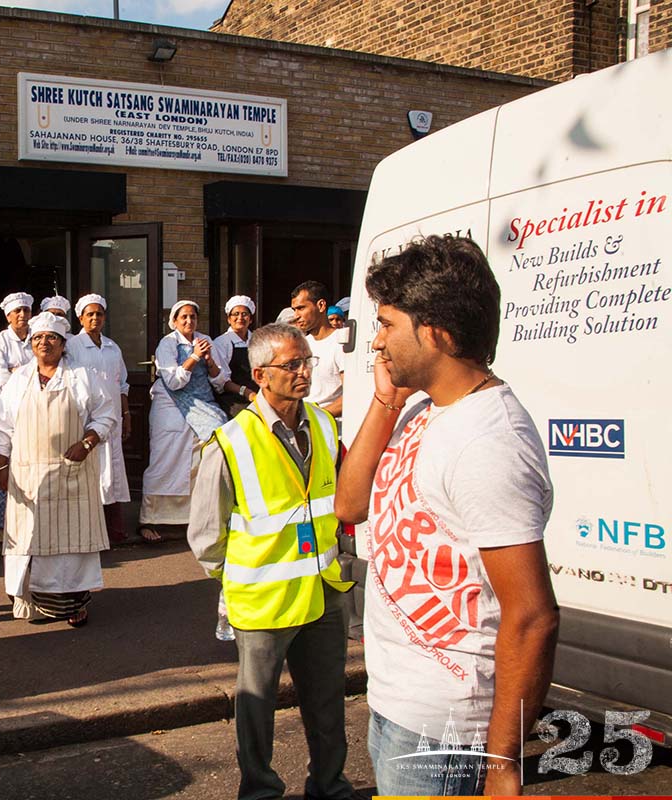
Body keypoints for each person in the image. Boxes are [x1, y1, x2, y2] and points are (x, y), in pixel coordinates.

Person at [334, 235, 559, 796]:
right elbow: (350, 505)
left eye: (386, 324)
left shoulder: (488, 441)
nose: (377, 343)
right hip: (396, 701)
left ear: (433, 330)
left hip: (446, 725)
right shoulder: (419, 409)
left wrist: (503, 764)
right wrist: (386, 400)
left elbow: (532, 617)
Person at [188, 324, 354, 800]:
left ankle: (330, 785)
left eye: (307, 362)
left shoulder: (323, 423)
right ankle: (259, 790)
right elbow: (205, 536)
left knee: (327, 702)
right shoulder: (231, 441)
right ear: (260, 375)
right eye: (292, 365)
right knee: (256, 705)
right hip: (263, 599)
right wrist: (237, 576)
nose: (304, 372)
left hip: (323, 589)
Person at [0, 312, 116, 626]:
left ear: (63, 344)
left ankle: (73, 606)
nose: (44, 343)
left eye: (51, 338)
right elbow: (3, 427)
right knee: (29, 541)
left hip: (70, 472)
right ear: (31, 344)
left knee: (69, 546)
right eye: (37, 338)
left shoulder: (82, 375)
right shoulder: (19, 379)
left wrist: (87, 443)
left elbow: (106, 416)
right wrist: (1, 467)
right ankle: (34, 603)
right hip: (27, 474)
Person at [139, 300, 227, 543]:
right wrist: (194, 358)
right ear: (175, 322)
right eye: (184, 318)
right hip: (170, 403)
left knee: (199, 456)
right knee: (166, 458)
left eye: (193, 317)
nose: (189, 322)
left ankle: (191, 518)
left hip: (200, 404)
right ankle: (151, 519)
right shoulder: (167, 344)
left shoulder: (205, 340)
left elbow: (220, 381)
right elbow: (174, 381)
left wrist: (208, 360)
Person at [65, 294, 132, 544]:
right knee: (92, 471)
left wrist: (126, 414)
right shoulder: (73, 346)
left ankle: (113, 528)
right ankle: (90, 530)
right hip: (87, 419)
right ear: (80, 317)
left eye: (99, 314)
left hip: (112, 417)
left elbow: (122, 383)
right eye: (89, 314)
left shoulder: (113, 347)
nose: (95, 318)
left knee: (112, 471)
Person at [0, 291, 34, 537]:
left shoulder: (38, 337)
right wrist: (29, 374)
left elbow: (50, 370)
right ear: (8, 315)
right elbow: (1, 379)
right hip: (5, 407)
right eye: (17, 311)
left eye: (26, 310)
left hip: (34, 407)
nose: (22, 315)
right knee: (0, 461)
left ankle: (27, 520)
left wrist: (18, 371)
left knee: (28, 461)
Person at [291, 281, 343, 418]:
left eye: (301, 308)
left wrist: (318, 417)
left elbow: (352, 395)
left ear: (321, 305)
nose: (296, 315)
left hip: (334, 432)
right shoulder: (302, 344)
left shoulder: (341, 343)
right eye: (294, 310)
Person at [213, 295, 259, 418]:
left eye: (244, 314)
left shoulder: (258, 340)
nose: (240, 318)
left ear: (250, 319)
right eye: (236, 314)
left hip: (257, 395)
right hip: (232, 400)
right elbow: (221, 381)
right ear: (229, 319)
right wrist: (246, 392)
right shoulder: (221, 343)